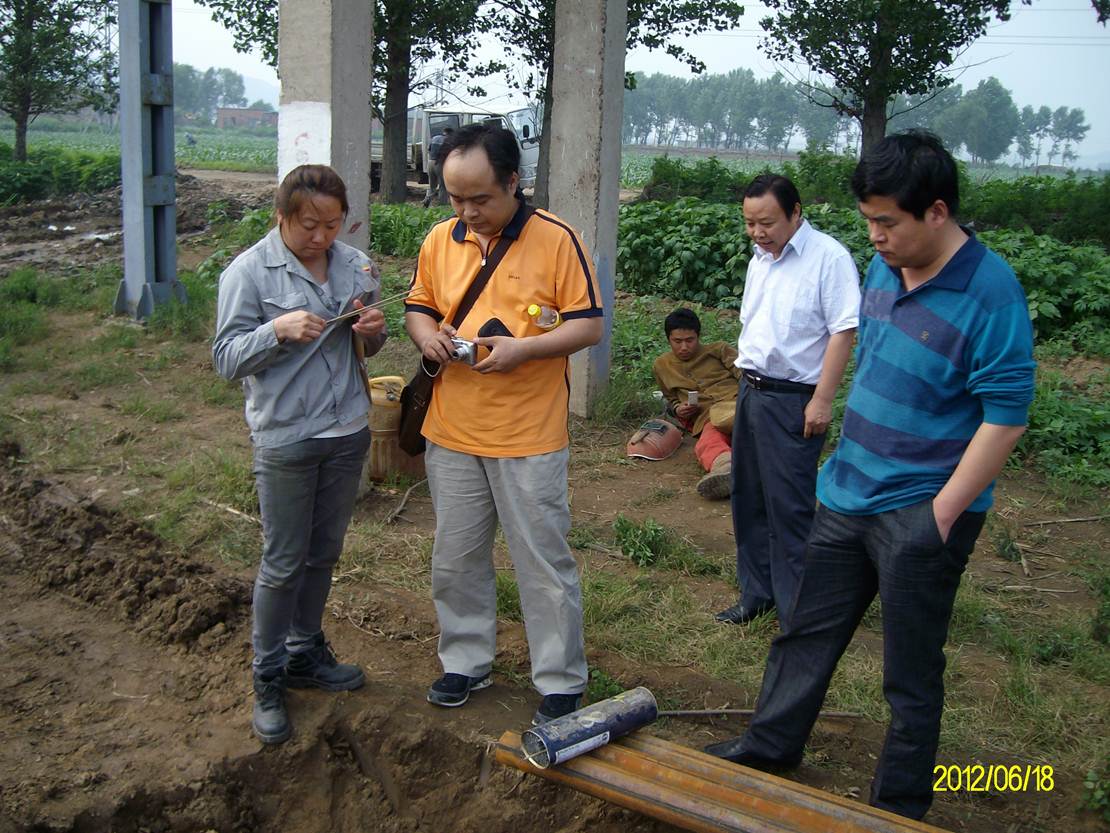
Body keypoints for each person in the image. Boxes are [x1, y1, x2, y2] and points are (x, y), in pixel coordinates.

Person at [705, 131, 1036, 822]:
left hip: (921, 510)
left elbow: (1005, 417)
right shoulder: (886, 269)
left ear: (936, 212)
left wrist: (940, 515)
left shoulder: (991, 293)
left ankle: (898, 806)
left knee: (909, 672)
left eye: (887, 222)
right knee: (805, 633)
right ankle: (770, 746)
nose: (875, 237)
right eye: (868, 222)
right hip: (847, 491)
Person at [404, 123, 603, 725]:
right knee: (455, 556)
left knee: (542, 561)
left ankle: (560, 679)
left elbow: (588, 325)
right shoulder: (440, 239)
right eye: (455, 198)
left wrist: (526, 350)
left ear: (514, 181)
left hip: (528, 435)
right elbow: (419, 307)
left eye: (480, 198)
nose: (467, 211)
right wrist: (428, 338)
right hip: (452, 431)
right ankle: (466, 660)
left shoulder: (558, 240)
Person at [212, 164, 387, 745]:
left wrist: (372, 329)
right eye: (309, 225)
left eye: (332, 225)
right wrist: (277, 330)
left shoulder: (357, 266)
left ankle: (305, 650)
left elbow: (371, 345)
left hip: (346, 430)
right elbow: (226, 359)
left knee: (323, 553)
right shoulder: (248, 273)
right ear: (282, 216)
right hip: (286, 437)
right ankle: (267, 676)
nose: (320, 237)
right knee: (284, 560)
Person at [717, 174, 860, 626]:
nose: (758, 232)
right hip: (752, 390)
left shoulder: (828, 258)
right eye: (750, 223)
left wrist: (823, 399)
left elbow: (843, 331)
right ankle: (757, 594)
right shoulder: (760, 259)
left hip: (794, 399)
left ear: (796, 212)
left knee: (790, 507)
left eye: (767, 223)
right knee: (749, 497)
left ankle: (798, 612)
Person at [652, 307, 741, 499]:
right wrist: (678, 409)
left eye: (690, 340)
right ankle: (726, 470)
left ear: (698, 336)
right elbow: (671, 399)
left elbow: (745, 375)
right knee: (708, 442)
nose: (684, 347)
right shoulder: (661, 365)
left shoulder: (719, 350)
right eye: (677, 341)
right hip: (708, 418)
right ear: (668, 339)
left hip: (738, 405)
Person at [422, 126, 454, 208]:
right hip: (439, 163)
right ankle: (442, 205)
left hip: (430, 162)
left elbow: (429, 149)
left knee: (432, 185)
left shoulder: (434, 138)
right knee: (443, 186)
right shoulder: (448, 141)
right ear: (450, 134)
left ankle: (427, 200)